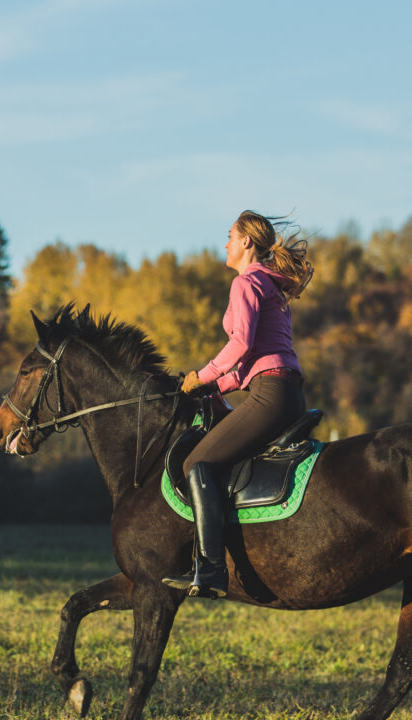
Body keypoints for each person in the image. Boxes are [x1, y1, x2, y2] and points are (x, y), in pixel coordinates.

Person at [161, 211, 314, 598]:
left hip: (269, 393)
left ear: (246, 242)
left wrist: (200, 376)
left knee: (196, 463)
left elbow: (240, 346)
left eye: (229, 236)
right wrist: (214, 390)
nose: (225, 243)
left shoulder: (246, 283)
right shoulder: (271, 287)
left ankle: (210, 570)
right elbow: (251, 362)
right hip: (284, 392)